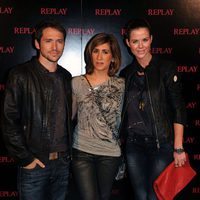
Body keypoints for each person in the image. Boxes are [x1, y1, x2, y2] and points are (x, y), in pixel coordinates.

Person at [2, 19, 72, 200]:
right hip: (35, 163)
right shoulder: (20, 74)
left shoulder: (66, 76)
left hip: (63, 164)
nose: (55, 47)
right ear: (37, 43)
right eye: (49, 41)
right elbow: (9, 120)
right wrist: (26, 159)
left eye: (59, 41)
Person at [119, 18, 187, 200]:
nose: (140, 46)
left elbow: (178, 108)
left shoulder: (166, 68)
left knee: (155, 195)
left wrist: (178, 147)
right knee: (141, 196)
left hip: (161, 145)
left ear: (151, 40)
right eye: (135, 41)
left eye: (144, 40)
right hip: (134, 146)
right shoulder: (126, 74)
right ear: (128, 43)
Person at [71, 33, 125, 200]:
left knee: (104, 197)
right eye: (96, 51)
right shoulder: (76, 82)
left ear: (113, 57)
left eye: (105, 52)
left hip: (110, 152)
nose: (100, 57)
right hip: (82, 150)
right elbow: (70, 116)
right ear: (90, 54)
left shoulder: (122, 84)